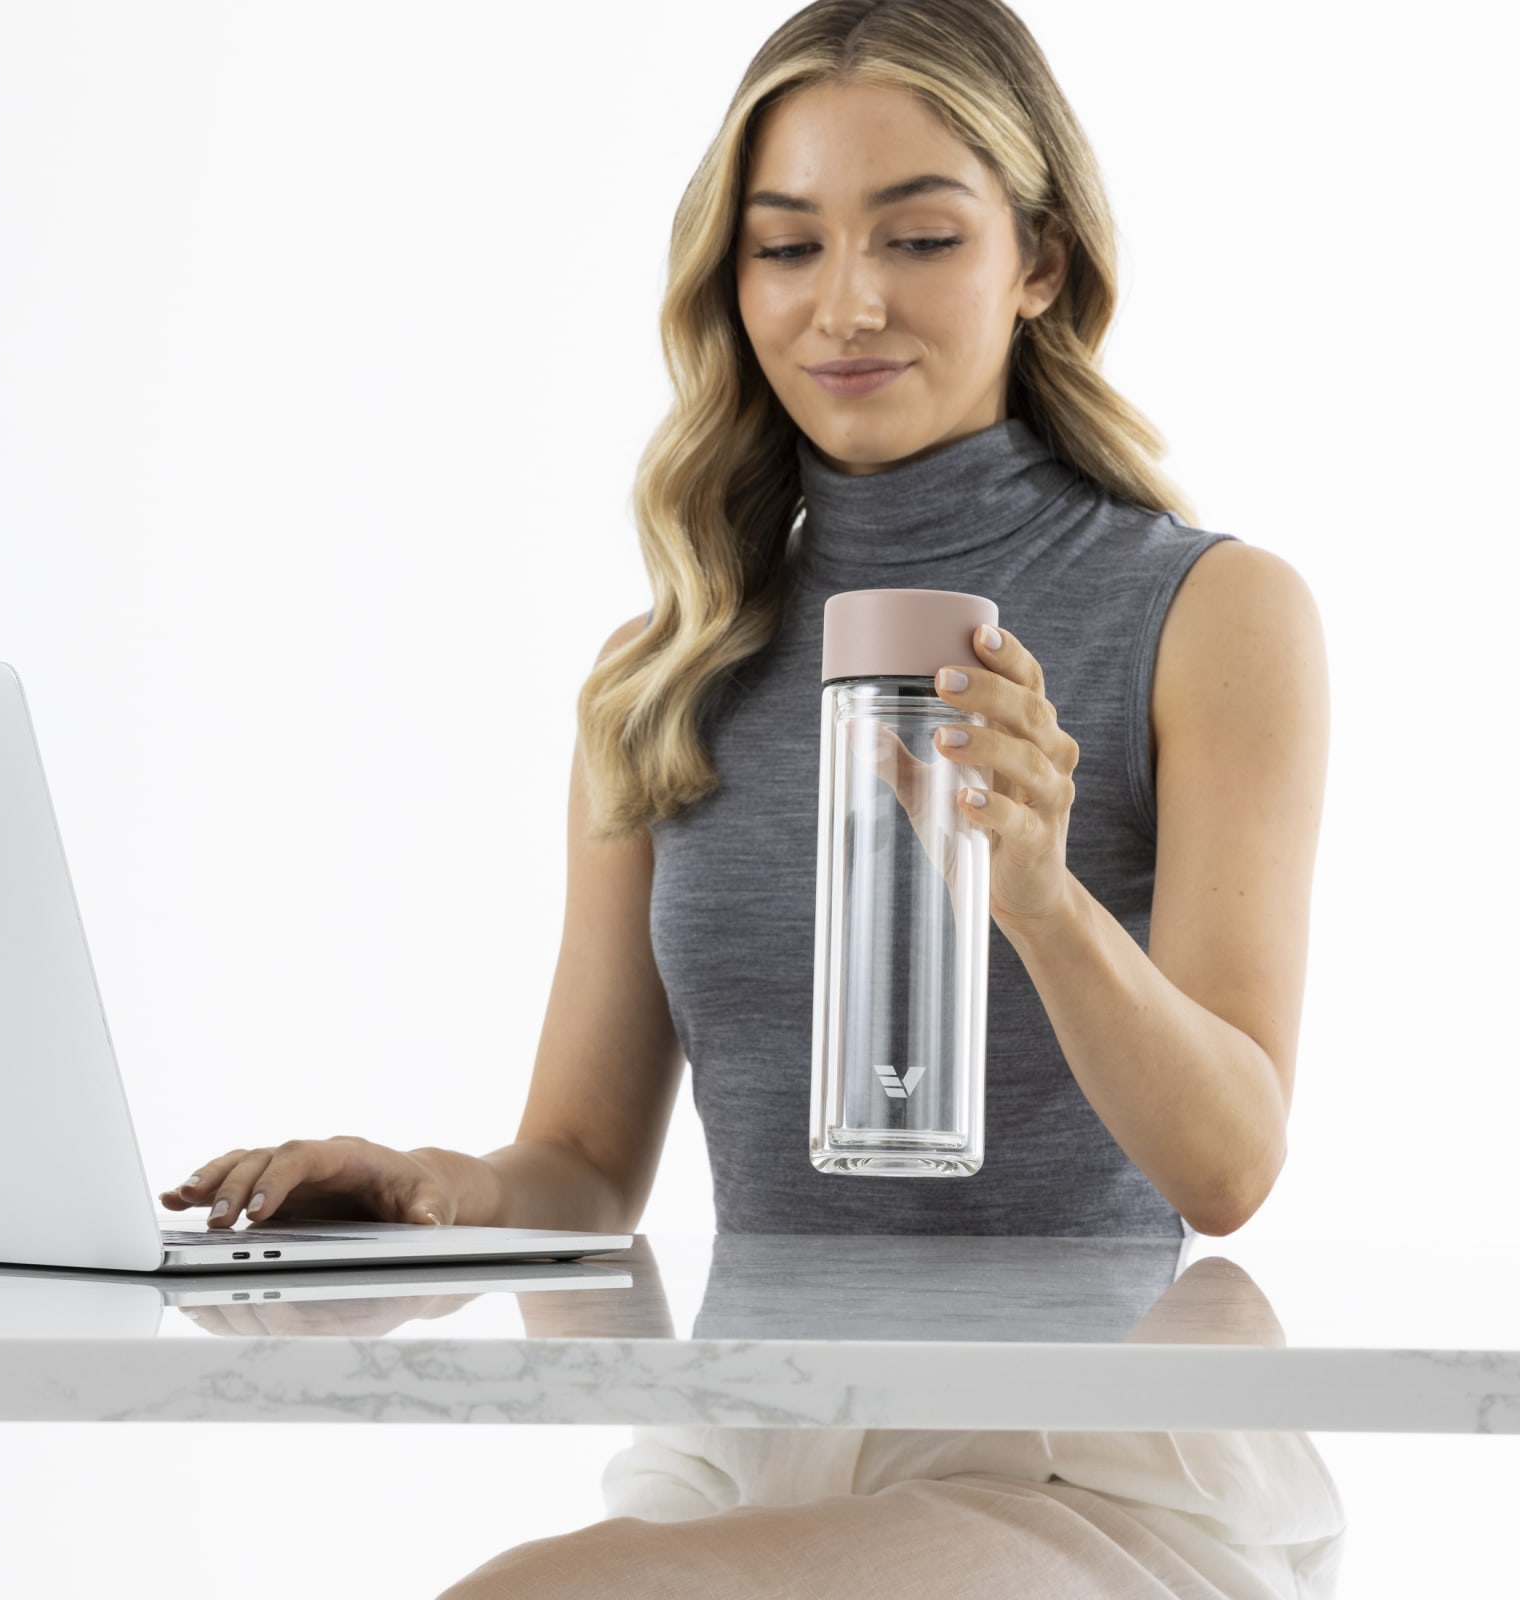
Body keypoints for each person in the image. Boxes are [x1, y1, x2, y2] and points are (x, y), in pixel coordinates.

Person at [165, 1, 1341, 1593]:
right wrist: (434, 1190)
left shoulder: (1208, 615)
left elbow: (1230, 1168)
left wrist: (1045, 901)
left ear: (1042, 259)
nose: (846, 304)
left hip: (1088, 1460)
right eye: (785, 248)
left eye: (920, 237)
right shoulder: (667, 669)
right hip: (755, 1437)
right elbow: (582, 1160)